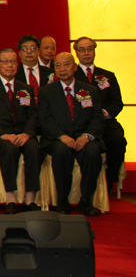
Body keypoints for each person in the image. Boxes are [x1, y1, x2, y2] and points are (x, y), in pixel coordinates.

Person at [39, 52, 105, 216]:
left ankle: (86, 200)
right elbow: (44, 119)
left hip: (84, 137)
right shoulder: (46, 91)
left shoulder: (90, 90)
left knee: (92, 153)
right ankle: (62, 200)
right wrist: (62, 136)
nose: (62, 69)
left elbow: (97, 118)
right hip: (58, 138)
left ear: (75, 67)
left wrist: (86, 136)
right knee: (61, 152)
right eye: (58, 65)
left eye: (66, 65)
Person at [0, 48, 40, 213]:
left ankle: (30, 197)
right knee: (9, 149)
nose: (10, 65)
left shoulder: (25, 88)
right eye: (5, 62)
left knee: (34, 148)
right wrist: (3, 134)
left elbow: (33, 115)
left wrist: (27, 133)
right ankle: (10, 197)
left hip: (22, 134)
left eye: (13, 61)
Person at [73, 37, 127, 193]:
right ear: (76, 53)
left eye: (89, 49)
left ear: (94, 51)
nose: (86, 53)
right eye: (82, 50)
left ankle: (110, 179)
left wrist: (103, 113)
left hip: (105, 122)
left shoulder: (107, 75)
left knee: (118, 140)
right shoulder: (72, 75)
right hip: (81, 123)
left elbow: (117, 102)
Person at [15, 35, 52, 99]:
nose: (29, 52)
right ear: (19, 53)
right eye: (25, 49)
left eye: (33, 48)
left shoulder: (49, 72)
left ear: (38, 51)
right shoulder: (14, 73)